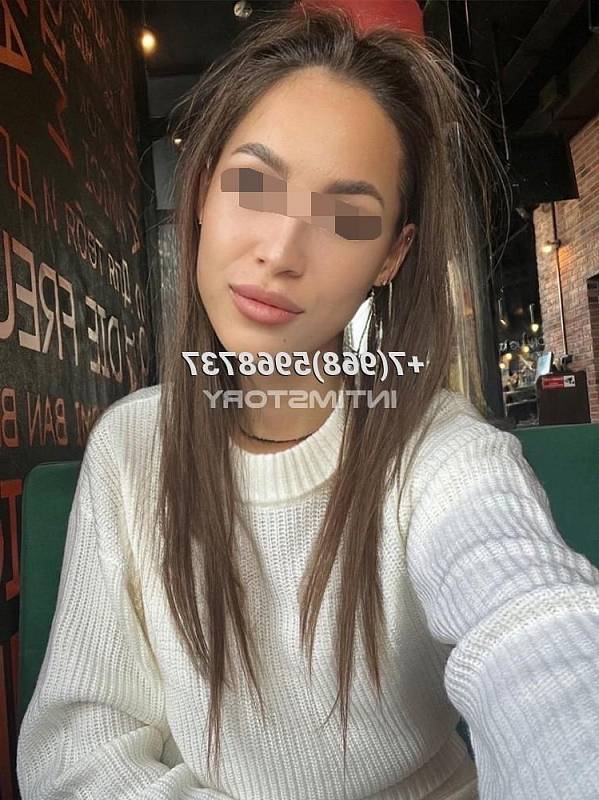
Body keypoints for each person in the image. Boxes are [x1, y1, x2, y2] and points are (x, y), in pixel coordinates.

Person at [16, 5, 599, 799]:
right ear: (202, 190)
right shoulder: (133, 448)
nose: (281, 251)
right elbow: (76, 750)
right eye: (253, 183)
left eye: (346, 216)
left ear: (390, 254)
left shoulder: (437, 450)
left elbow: (535, 626)